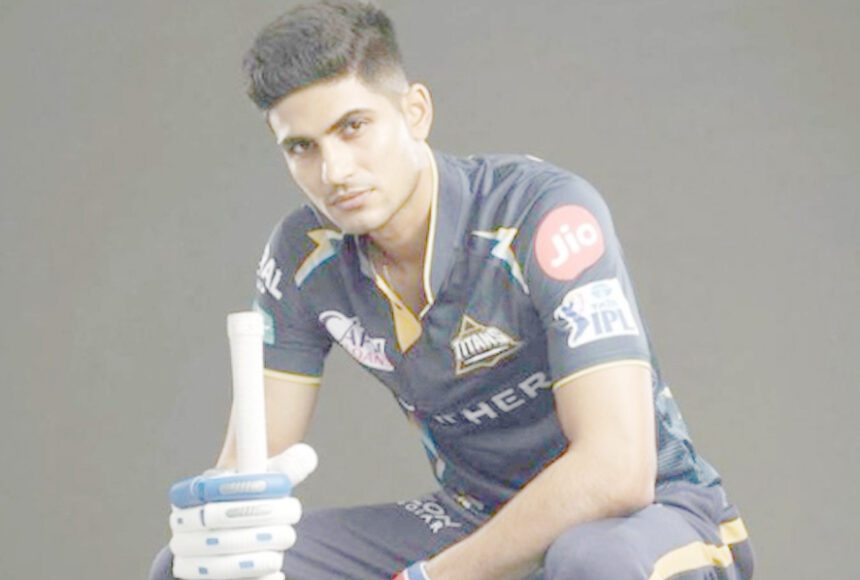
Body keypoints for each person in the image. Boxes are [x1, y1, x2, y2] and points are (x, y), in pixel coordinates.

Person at [150, 1, 755, 579]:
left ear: (415, 112)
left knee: (590, 563)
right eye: (302, 147)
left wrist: (434, 577)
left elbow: (617, 470)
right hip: (472, 517)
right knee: (193, 567)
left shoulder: (544, 212)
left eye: (353, 127)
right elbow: (247, 467)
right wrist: (219, 516)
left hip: (650, 517)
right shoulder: (305, 254)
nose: (334, 172)